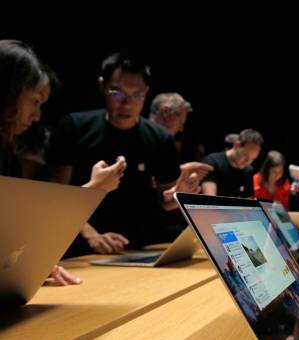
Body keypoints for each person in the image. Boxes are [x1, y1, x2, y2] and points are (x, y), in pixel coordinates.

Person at [49, 52, 210, 255]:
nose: (127, 103)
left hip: (142, 247)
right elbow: (56, 196)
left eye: (137, 95)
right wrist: (92, 236)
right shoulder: (73, 127)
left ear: (146, 92)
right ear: (102, 85)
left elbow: (166, 200)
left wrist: (180, 195)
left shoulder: (160, 138)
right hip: (81, 249)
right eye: (117, 93)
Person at [0, 39, 126, 285]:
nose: (37, 116)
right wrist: (94, 189)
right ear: (7, 92)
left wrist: (27, 263)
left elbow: (14, 236)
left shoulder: (7, 153)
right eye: (35, 101)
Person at [201, 128, 263, 197]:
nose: (248, 162)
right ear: (236, 145)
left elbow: (248, 200)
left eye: (252, 159)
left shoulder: (248, 170)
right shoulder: (212, 162)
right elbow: (210, 201)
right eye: (245, 156)